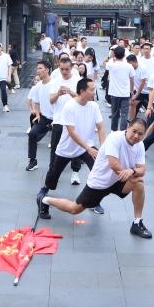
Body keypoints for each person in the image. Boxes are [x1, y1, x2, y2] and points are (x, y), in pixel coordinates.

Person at [39, 116, 153, 239]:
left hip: (119, 180)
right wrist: (129, 173)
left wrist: (132, 171)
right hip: (100, 182)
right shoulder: (115, 138)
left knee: (139, 183)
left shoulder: (139, 145)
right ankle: (45, 200)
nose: (136, 136)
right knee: (74, 209)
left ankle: (137, 223)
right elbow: (114, 165)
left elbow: (142, 170)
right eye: (134, 131)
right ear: (128, 127)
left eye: (140, 134)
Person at [37, 78, 105, 219]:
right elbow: (72, 132)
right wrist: (88, 147)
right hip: (68, 147)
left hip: (86, 146)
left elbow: (101, 127)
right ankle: (43, 192)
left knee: (97, 171)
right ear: (82, 91)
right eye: (91, 89)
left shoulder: (94, 106)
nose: (94, 91)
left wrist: (103, 148)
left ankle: (95, 201)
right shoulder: (70, 106)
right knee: (54, 174)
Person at [104, 45, 135, 132]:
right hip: (125, 93)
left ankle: (113, 130)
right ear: (124, 55)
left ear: (114, 54)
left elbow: (106, 63)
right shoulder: (129, 66)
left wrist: (112, 58)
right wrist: (131, 91)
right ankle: (122, 131)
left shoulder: (111, 64)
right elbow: (132, 80)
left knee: (114, 113)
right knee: (124, 114)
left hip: (114, 93)